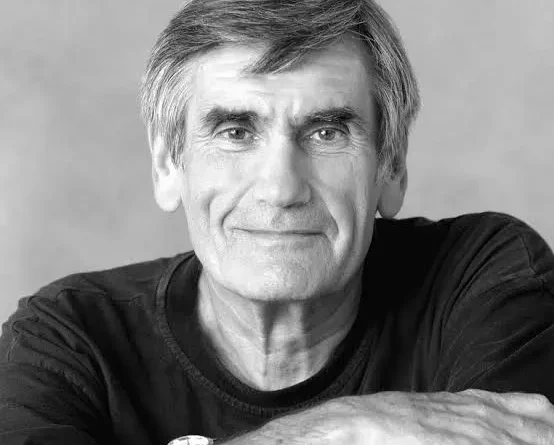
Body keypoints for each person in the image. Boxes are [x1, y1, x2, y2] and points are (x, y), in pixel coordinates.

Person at [1, 0, 554, 443]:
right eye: (236, 132)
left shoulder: (485, 277)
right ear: (169, 164)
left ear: (391, 165)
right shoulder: (69, 341)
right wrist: (339, 432)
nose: (281, 189)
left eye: (327, 132)